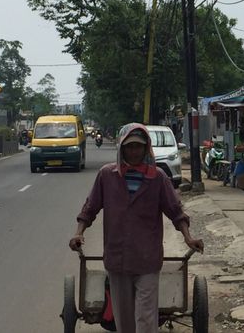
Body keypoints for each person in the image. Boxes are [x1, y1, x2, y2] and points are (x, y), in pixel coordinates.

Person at [69, 123, 204, 333]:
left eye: (138, 147)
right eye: (129, 147)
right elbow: (90, 208)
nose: (134, 151)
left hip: (147, 259)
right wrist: (79, 233)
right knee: (124, 320)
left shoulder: (158, 178)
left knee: (146, 316)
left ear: (146, 148)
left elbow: (175, 211)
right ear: (122, 148)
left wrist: (188, 237)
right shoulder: (107, 175)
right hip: (117, 259)